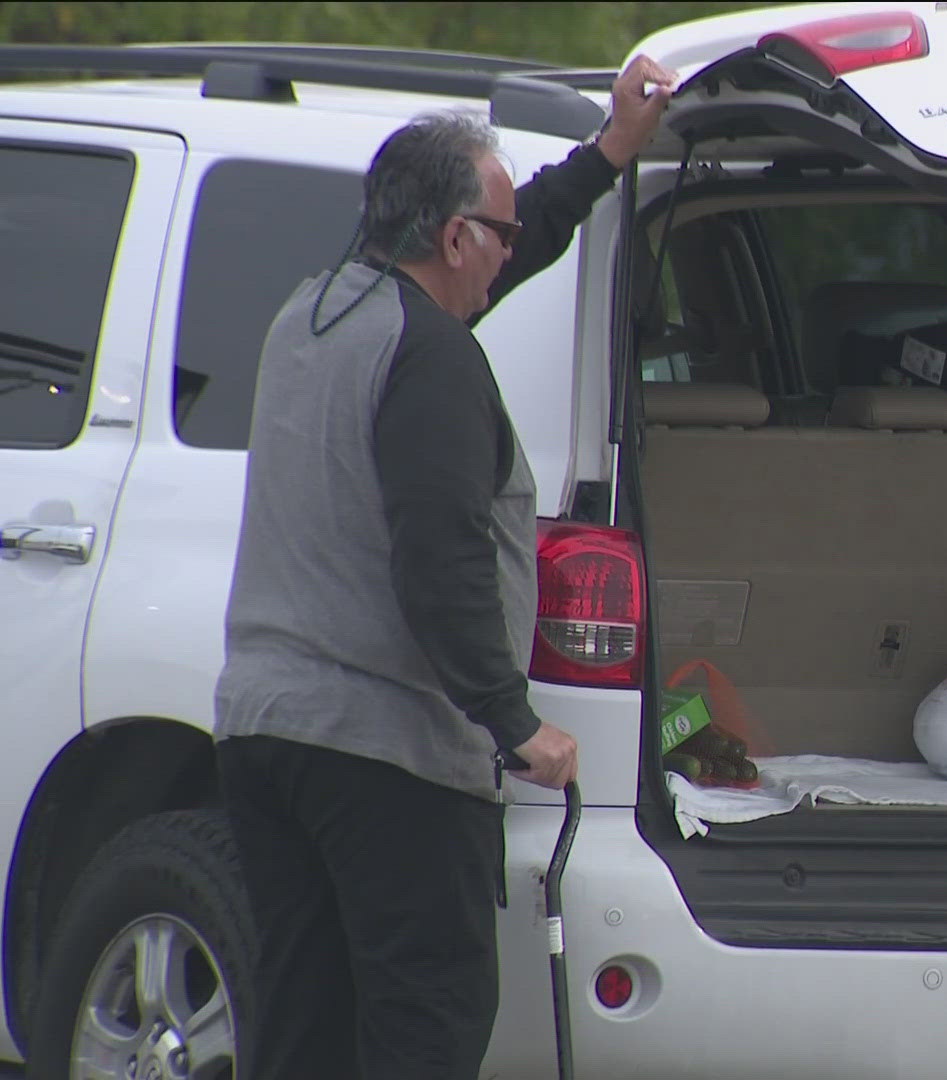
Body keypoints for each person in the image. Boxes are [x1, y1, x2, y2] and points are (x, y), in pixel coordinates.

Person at [213, 55, 674, 1080]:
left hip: (265, 739)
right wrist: (515, 724)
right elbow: (441, 561)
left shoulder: (316, 311)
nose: (511, 255)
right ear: (455, 238)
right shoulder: (432, 360)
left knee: (304, 1021)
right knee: (429, 1017)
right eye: (499, 237)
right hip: (387, 758)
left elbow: (514, 238)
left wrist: (606, 155)